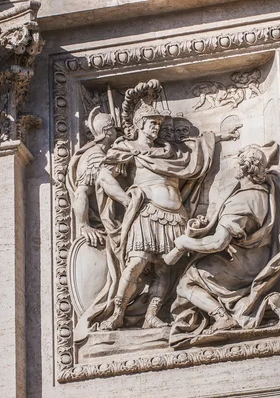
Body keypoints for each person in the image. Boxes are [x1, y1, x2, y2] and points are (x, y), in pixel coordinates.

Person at [74, 101, 240, 338]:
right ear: (140, 125)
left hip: (175, 216)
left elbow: (199, 147)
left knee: (165, 268)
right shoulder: (127, 148)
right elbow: (104, 177)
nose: (156, 128)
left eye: (159, 124)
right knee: (136, 263)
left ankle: (152, 316)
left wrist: (221, 136)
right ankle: (117, 314)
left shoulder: (171, 151)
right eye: (152, 123)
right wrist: (126, 200)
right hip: (147, 212)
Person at [166, 144, 280, 348]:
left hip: (240, 265)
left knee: (186, 283)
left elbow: (218, 242)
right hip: (259, 259)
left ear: (243, 168)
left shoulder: (240, 202)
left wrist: (185, 243)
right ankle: (267, 302)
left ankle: (222, 317)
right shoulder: (264, 192)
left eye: (237, 162)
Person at [67, 107, 117, 247]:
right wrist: (84, 225)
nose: (116, 132)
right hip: (102, 222)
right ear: (107, 131)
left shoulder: (104, 153)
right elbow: (81, 192)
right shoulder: (94, 157)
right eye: (114, 129)